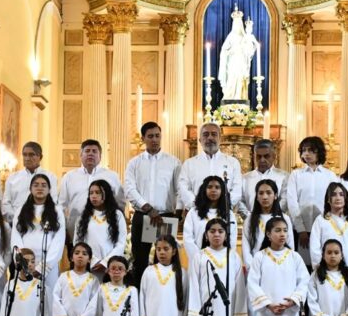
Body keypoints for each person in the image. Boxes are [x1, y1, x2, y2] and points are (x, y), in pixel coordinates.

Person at [124, 121, 181, 284]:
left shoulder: (173, 162)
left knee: (166, 259)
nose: (154, 139)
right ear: (143, 138)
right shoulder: (134, 163)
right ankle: (140, 295)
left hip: (165, 216)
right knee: (140, 261)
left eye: (157, 136)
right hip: (142, 215)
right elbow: (129, 189)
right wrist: (148, 208)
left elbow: (180, 189)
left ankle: (165, 292)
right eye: (150, 136)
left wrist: (178, 212)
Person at [247, 216, 310, 316]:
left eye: (285, 230)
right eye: (278, 230)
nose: (282, 234)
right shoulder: (260, 257)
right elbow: (252, 284)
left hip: (289, 314)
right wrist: (268, 304)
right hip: (265, 314)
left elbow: (304, 282)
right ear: (268, 234)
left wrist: (293, 301)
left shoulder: (294, 257)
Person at [187, 219, 248, 316]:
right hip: (205, 311)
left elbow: (240, 288)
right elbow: (194, 286)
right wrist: (195, 315)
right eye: (212, 231)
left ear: (226, 235)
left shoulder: (233, 256)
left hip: (228, 310)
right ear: (206, 235)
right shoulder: (199, 256)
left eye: (220, 231)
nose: (216, 234)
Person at [58, 139, 124, 241]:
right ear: (81, 155)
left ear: (100, 156)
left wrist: (118, 225)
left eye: (94, 151)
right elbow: (61, 205)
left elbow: (120, 203)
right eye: (87, 151)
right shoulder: (69, 177)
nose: (90, 154)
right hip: (74, 230)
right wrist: (63, 229)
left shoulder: (112, 176)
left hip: (105, 231)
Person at [10, 173, 67, 291]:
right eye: (36, 185)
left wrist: (43, 267)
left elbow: (59, 240)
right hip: (25, 262)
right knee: (25, 295)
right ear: (30, 189)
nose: (40, 188)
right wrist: (23, 262)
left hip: (48, 264)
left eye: (44, 185)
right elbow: (16, 237)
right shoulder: (20, 210)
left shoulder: (57, 211)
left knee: (48, 296)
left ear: (49, 189)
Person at [286, 137, 339, 262]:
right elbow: (292, 202)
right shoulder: (296, 175)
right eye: (304, 150)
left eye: (310, 150)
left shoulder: (330, 175)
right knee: (302, 263)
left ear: (319, 151)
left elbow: (334, 202)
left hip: (324, 227)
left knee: (322, 261)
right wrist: (301, 229)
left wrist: (328, 225)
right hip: (301, 229)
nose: (306, 154)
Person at [177, 122, 243, 210]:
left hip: (224, 212)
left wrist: (224, 205)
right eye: (206, 134)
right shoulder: (189, 164)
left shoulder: (233, 163)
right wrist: (197, 205)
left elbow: (237, 189)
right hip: (197, 212)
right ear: (200, 140)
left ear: (220, 139)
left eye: (214, 134)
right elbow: (183, 188)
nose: (210, 138)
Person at [139, 235, 188, 316]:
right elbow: (142, 298)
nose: (162, 252)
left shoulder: (182, 273)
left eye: (166, 249)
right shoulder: (148, 271)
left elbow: (186, 298)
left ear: (174, 251)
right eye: (158, 249)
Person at [74, 180, 127, 281]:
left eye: (98, 192)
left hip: (110, 266)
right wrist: (93, 260)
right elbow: (78, 241)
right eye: (91, 193)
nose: (93, 196)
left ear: (106, 194)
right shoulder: (83, 217)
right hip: (89, 264)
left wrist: (106, 262)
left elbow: (121, 243)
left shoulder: (117, 215)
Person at [52, 243, 100, 316]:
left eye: (84, 254)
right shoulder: (63, 277)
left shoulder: (93, 280)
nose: (80, 256)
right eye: (77, 253)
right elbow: (55, 300)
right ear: (71, 258)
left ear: (89, 259)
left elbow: (93, 305)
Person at [309, 183, 348, 270]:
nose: (338, 198)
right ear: (328, 199)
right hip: (326, 271)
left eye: (341, 194)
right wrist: (321, 269)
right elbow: (314, 248)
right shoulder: (320, 220)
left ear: (345, 198)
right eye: (334, 195)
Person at [242, 179, 295, 269]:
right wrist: (252, 267)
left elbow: (290, 245)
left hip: (280, 266)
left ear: (275, 195)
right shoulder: (250, 220)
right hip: (256, 266)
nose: (265, 197)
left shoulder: (284, 218)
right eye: (261, 193)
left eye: (268, 193)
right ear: (257, 197)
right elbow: (246, 247)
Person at [183, 175, 238, 261]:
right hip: (198, 260)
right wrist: (199, 258)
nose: (213, 190)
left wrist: (223, 258)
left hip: (222, 261)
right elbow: (188, 239)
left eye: (217, 187)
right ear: (204, 190)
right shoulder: (193, 212)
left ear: (222, 191)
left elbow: (232, 240)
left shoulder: (229, 214)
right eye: (209, 187)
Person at [2, 141, 58, 222]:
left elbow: (53, 201)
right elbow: (6, 203)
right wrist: (17, 219)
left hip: (41, 223)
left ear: (40, 157)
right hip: (15, 222)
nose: (27, 158)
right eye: (24, 155)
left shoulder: (50, 177)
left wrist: (38, 220)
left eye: (31, 155)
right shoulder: (12, 178)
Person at [238, 139, 288, 218]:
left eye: (266, 156)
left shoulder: (284, 176)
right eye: (259, 156)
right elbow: (240, 201)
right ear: (254, 157)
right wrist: (250, 217)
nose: (262, 160)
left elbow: (285, 200)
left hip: (276, 220)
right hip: (251, 220)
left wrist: (272, 216)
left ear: (274, 156)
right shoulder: (244, 178)